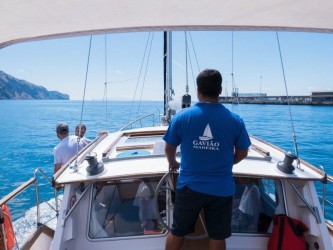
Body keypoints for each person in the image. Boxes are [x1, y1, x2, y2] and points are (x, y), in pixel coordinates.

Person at [163, 69, 251, 250]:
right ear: (220, 90)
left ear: (198, 90)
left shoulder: (182, 117)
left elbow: (169, 147)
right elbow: (243, 152)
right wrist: (230, 162)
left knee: (177, 231)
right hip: (221, 188)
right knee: (218, 236)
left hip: (189, 187)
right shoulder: (235, 120)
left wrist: (172, 163)